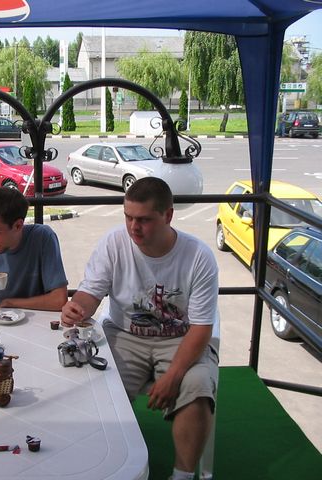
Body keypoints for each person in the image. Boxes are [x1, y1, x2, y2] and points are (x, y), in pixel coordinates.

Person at [61, 177, 219, 480]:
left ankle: (183, 475)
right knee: (94, 387)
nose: (134, 227)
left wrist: (173, 376)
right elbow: (91, 291)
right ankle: (104, 466)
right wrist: (77, 306)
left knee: (197, 388)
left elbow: (201, 328)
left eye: (144, 220)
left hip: (181, 338)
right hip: (123, 334)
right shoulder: (114, 242)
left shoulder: (198, 256)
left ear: (168, 215)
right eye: (128, 217)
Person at [0, 187, 68, 311]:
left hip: (33, 319)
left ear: (18, 226)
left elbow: (59, 300)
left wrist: (11, 303)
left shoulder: (42, 237)